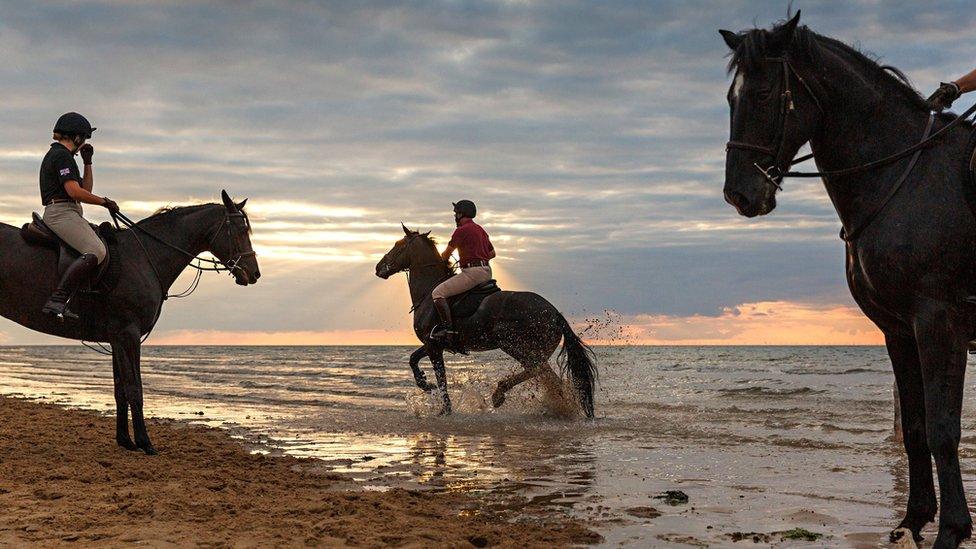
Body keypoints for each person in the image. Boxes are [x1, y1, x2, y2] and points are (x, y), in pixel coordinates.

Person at [39, 112, 120, 319]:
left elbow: (86, 188)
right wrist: (104, 202)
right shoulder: (60, 156)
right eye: (83, 137)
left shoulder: (64, 157)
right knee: (97, 250)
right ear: (76, 137)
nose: (83, 141)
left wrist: (87, 162)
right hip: (61, 213)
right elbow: (75, 192)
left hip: (70, 211)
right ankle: (57, 300)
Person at [429, 200, 496, 344]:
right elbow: (492, 254)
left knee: (437, 293)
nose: (455, 217)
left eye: (455, 214)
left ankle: (449, 330)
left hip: (472, 273)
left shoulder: (461, 230)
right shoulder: (481, 230)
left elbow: (446, 254)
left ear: (460, 214)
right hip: (486, 271)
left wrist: (444, 260)